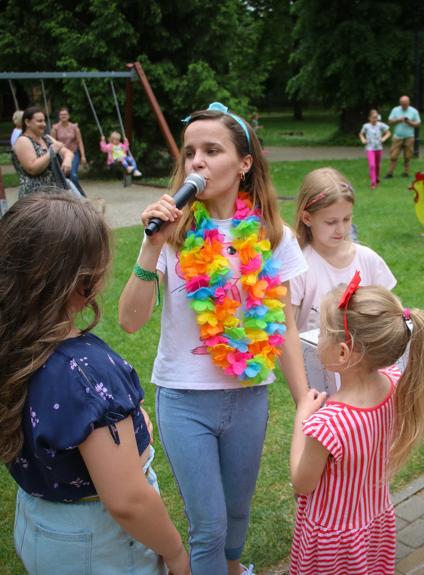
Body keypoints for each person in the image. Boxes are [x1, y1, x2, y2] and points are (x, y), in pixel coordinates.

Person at [118, 102, 310, 575]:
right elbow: (129, 321)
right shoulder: (175, 234)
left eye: (211, 150)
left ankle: (232, 569)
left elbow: (282, 324)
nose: (196, 162)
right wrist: (151, 246)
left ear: (244, 163)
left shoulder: (272, 234)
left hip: (249, 397)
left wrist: (304, 401)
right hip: (184, 399)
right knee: (209, 525)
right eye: (190, 152)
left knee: (238, 513)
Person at [0, 192, 190, 575]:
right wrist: (177, 554)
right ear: (83, 278)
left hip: (40, 522)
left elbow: (60, 429)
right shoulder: (87, 371)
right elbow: (128, 500)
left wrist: (132, 432)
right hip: (99, 541)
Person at [289, 281, 424, 575]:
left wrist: (301, 421)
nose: (317, 340)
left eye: (322, 333)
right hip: (373, 525)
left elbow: (302, 484)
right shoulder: (395, 384)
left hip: (332, 540)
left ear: (343, 353)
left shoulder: (326, 425)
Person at [290, 167, 396, 334]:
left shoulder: (368, 259)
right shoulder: (299, 267)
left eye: (346, 219)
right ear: (307, 218)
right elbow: (285, 330)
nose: (341, 229)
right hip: (314, 358)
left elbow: (390, 316)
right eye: (331, 222)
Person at [11, 107, 73, 199]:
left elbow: (68, 152)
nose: (43, 124)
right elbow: (32, 168)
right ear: (27, 122)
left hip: (54, 194)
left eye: (44, 121)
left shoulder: (46, 138)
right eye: (39, 121)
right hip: (34, 196)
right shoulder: (23, 141)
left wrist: (67, 160)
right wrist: (51, 152)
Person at [385, 95, 421, 179]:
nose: (404, 106)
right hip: (397, 137)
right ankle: (390, 173)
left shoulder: (413, 111)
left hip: (409, 136)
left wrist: (410, 122)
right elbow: (390, 121)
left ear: (409, 103)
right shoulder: (395, 110)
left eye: (405, 104)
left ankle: (406, 172)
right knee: (393, 155)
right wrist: (399, 119)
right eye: (402, 104)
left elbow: (418, 123)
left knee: (408, 156)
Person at [51, 107, 87, 186]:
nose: (63, 116)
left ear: (69, 115)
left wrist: (83, 156)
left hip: (73, 153)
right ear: (59, 116)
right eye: (61, 114)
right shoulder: (55, 128)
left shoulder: (74, 128)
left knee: (73, 174)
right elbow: (52, 142)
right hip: (60, 154)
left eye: (65, 114)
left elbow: (80, 142)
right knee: (62, 175)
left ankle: (79, 193)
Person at [359, 109, 390, 188]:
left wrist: (384, 138)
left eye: (376, 118)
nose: (374, 119)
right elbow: (361, 133)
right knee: (372, 165)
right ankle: (373, 182)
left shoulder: (380, 125)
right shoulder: (366, 126)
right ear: (369, 118)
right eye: (373, 118)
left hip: (378, 147)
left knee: (377, 165)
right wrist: (363, 139)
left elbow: (388, 132)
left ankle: (377, 178)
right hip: (370, 148)